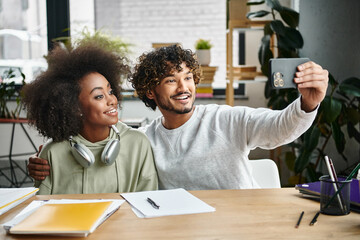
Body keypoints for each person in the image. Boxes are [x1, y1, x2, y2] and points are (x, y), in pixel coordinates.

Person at [28, 45, 328, 190]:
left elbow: (279, 128)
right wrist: (46, 160)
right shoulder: (144, 140)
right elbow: (94, 132)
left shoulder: (225, 119)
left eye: (187, 77)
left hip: (239, 224)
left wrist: (308, 104)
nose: (184, 87)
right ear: (149, 92)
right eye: (171, 80)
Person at [22, 43, 158, 194]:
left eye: (110, 91)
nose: (112, 100)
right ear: (75, 107)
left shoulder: (138, 143)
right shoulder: (53, 152)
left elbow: (148, 201)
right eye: (99, 96)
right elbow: (42, 208)